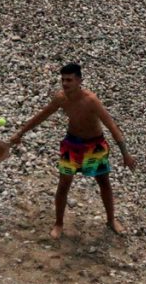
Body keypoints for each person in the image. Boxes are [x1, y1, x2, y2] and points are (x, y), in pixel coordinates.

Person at [9, 63, 136, 239]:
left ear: (79, 81)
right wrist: (20, 133)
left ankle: (111, 220)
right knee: (63, 184)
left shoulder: (91, 100)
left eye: (69, 80)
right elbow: (42, 115)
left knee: (104, 182)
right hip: (72, 144)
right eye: (62, 80)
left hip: (94, 145)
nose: (65, 83)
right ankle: (59, 223)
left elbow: (112, 126)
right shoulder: (61, 99)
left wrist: (125, 154)